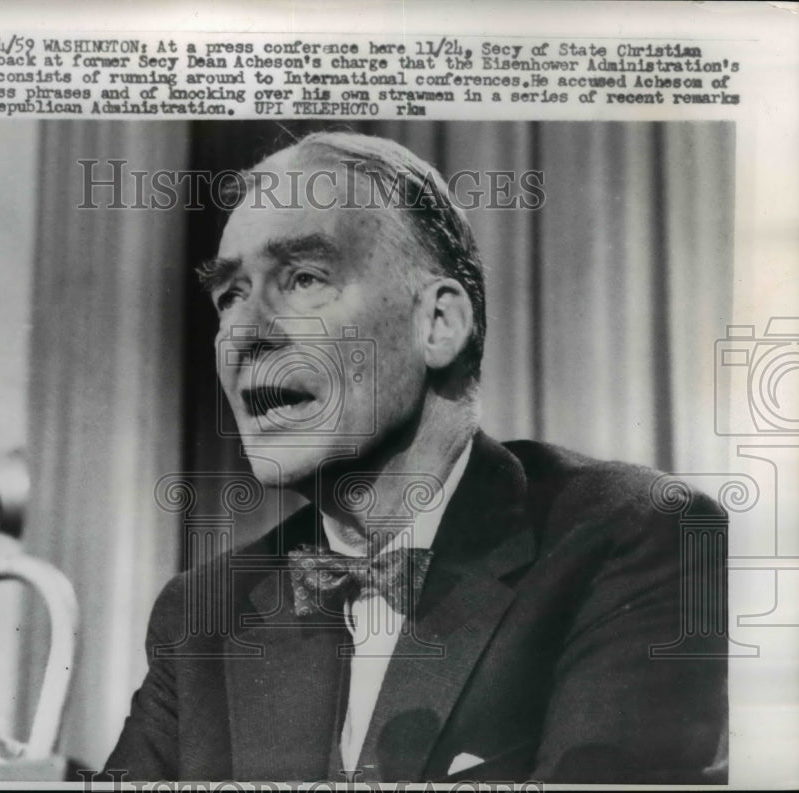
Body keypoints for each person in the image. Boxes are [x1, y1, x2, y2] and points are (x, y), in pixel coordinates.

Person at [103, 132, 728, 783]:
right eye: (229, 294)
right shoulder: (202, 612)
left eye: (304, 278)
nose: (243, 332)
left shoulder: (635, 538)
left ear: (438, 324)